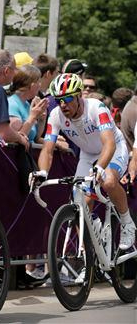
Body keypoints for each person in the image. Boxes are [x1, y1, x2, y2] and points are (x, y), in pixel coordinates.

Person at [30, 73, 135, 254]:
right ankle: (89, 263)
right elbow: (47, 149)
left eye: (68, 99)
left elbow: (109, 144)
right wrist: (42, 173)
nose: (63, 105)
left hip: (113, 148)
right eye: (59, 100)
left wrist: (100, 169)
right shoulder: (56, 115)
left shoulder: (96, 108)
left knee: (108, 181)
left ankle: (127, 223)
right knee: (79, 204)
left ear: (79, 96)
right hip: (87, 154)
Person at [8, 64, 48, 144]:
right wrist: (33, 116)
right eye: (38, 82)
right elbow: (16, 140)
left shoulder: (26, 104)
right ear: (32, 85)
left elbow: (35, 137)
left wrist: (41, 119)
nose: (40, 85)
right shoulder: (12, 104)